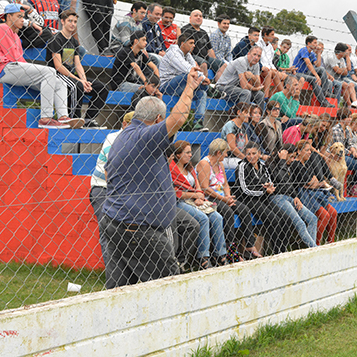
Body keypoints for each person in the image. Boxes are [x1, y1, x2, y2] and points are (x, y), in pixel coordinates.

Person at [101, 70, 202, 288]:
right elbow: (179, 118)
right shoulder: (146, 137)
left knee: (121, 290)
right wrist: (190, 87)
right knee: (168, 287)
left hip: (119, 223)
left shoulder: (124, 136)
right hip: (138, 230)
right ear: (157, 120)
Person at [0, 4, 81, 129]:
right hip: (4, 69)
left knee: (59, 83)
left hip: (15, 69)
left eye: (23, 17)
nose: (22, 20)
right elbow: (13, 58)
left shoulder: (16, 36)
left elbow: (19, 60)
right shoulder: (2, 28)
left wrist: (32, 71)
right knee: (49, 72)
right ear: (9, 17)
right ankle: (46, 118)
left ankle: (63, 117)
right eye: (19, 16)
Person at [196, 139, 260, 261]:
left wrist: (228, 196)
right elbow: (205, 188)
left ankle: (250, 247)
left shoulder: (220, 164)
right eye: (225, 153)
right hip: (210, 198)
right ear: (218, 153)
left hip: (223, 197)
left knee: (244, 210)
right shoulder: (204, 164)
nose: (226, 155)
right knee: (228, 213)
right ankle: (231, 252)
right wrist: (224, 199)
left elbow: (225, 184)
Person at [46, 9, 109, 128]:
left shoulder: (74, 42)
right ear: (63, 22)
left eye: (75, 22)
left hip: (71, 75)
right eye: (70, 21)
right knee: (77, 85)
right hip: (57, 74)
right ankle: (74, 118)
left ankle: (89, 119)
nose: (72, 24)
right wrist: (79, 81)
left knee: (102, 88)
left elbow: (77, 63)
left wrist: (84, 80)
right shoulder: (56, 39)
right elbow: (58, 66)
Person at [169, 141, 227, 269]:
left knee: (217, 217)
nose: (190, 155)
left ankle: (221, 255)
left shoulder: (189, 167)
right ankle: (203, 257)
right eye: (187, 152)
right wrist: (195, 196)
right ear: (178, 155)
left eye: (191, 152)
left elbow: (197, 185)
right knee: (203, 218)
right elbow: (176, 193)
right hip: (180, 202)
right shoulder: (172, 169)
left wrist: (199, 195)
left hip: (195, 199)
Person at [89, 112, 135, 265]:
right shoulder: (114, 138)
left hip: (122, 191)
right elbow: (111, 171)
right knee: (107, 230)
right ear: (125, 124)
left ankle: (122, 272)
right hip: (103, 188)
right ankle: (112, 273)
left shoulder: (135, 141)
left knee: (123, 232)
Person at [235, 143, 295, 254]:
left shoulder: (262, 165)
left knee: (286, 219)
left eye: (254, 153)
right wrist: (263, 191)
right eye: (248, 154)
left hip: (264, 198)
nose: (251, 156)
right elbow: (244, 189)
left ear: (259, 153)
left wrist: (270, 186)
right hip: (249, 200)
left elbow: (269, 179)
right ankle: (277, 252)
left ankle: (283, 249)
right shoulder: (242, 167)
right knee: (274, 219)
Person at [157, 30, 210, 132]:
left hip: (181, 87)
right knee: (189, 75)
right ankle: (210, 89)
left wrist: (202, 78)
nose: (194, 45)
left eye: (194, 43)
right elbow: (188, 69)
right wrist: (203, 78)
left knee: (202, 93)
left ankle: (198, 124)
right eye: (191, 43)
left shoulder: (188, 55)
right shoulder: (173, 52)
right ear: (182, 44)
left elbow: (194, 68)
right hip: (168, 86)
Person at [267, 147, 318, 248]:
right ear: (283, 154)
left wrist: (295, 197)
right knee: (300, 224)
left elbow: (290, 184)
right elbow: (280, 179)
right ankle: (314, 249)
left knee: (313, 219)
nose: (292, 160)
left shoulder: (287, 166)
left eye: (294, 157)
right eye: (290, 157)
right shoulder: (271, 165)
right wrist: (282, 160)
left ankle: (311, 248)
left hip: (290, 197)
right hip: (278, 197)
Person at [291, 140, 338, 245]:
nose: (309, 152)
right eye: (306, 150)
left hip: (314, 192)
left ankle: (330, 242)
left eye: (310, 150)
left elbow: (314, 181)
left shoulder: (306, 164)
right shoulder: (296, 164)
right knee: (324, 216)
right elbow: (309, 182)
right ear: (299, 151)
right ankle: (315, 244)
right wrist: (314, 183)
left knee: (333, 213)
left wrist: (314, 183)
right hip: (304, 195)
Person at [181, 10, 226, 81]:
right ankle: (204, 86)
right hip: (192, 56)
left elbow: (210, 49)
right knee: (204, 64)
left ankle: (218, 87)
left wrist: (214, 61)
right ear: (190, 18)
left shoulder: (204, 32)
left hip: (206, 58)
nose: (198, 18)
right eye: (196, 16)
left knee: (223, 65)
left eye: (200, 16)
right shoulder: (186, 30)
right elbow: (185, 48)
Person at [292, 35, 331, 108]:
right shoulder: (304, 50)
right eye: (315, 43)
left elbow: (318, 65)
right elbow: (308, 63)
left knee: (321, 69)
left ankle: (324, 91)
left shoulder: (312, 53)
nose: (316, 45)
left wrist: (319, 53)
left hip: (306, 72)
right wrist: (316, 75)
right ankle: (323, 102)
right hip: (298, 73)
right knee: (314, 79)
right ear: (309, 43)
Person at [326, 43, 357, 108]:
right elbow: (338, 71)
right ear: (340, 52)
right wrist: (341, 70)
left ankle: (351, 104)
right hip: (331, 78)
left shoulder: (342, 59)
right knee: (344, 84)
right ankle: (337, 104)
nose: (347, 53)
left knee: (353, 85)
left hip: (339, 78)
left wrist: (341, 70)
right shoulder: (332, 57)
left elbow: (346, 71)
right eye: (346, 52)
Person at [221, 102, 251, 169]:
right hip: (228, 158)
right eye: (246, 113)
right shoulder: (231, 125)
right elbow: (232, 148)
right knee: (247, 166)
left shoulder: (243, 126)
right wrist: (246, 158)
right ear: (239, 112)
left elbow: (247, 145)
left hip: (239, 157)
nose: (249, 115)